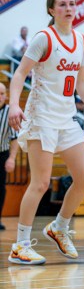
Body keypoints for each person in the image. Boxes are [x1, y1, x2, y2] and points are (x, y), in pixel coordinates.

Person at [7, 0, 84, 265]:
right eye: (62, 4)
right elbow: (20, 73)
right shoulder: (43, 38)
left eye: (72, 4)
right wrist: (14, 104)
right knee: (41, 182)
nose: (68, 8)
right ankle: (20, 245)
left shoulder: (81, 39)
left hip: (67, 118)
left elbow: (81, 80)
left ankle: (59, 227)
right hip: (41, 118)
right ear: (51, 10)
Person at [0, 83, 19, 230]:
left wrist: (11, 158)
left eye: (2, 93)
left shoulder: (9, 112)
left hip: (2, 154)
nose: (0, 97)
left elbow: (14, 138)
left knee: (1, 188)